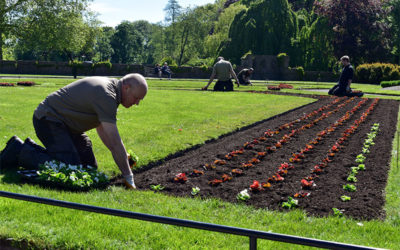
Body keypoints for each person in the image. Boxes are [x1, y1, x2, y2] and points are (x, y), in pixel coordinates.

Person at [0, 73, 148, 189]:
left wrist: (123, 157)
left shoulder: (111, 92)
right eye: (136, 98)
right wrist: (128, 176)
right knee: (71, 169)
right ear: (126, 87)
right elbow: (115, 142)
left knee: (89, 168)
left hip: (66, 126)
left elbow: (103, 130)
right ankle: (19, 150)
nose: (137, 103)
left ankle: (28, 148)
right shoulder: (106, 95)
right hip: (49, 120)